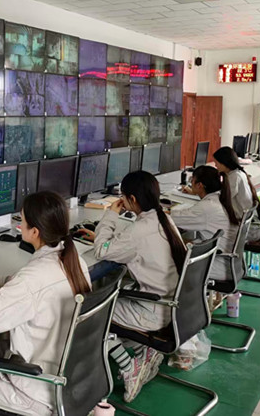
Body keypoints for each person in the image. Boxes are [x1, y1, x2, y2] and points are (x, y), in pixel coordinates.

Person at [0, 191, 91, 416]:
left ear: (35, 232)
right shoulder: (74, 260)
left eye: (22, 220)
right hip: (69, 378)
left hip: (39, 390)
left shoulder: (32, 279)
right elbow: (32, 284)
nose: (19, 225)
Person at [77, 171, 186, 403]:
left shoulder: (138, 231)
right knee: (111, 294)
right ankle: (143, 353)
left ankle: (129, 368)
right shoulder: (163, 220)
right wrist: (106, 236)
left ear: (132, 199)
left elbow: (102, 251)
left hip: (153, 312)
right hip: (172, 307)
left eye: (123, 197)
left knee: (88, 315)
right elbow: (133, 241)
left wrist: (111, 215)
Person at [170, 166, 239, 281]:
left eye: (192, 180)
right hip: (229, 261)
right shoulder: (220, 199)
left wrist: (162, 210)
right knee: (181, 241)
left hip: (217, 265)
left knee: (167, 247)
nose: (190, 183)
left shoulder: (207, 208)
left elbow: (172, 219)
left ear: (200, 185)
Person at [212, 146, 259, 220]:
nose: (215, 166)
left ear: (224, 163)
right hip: (245, 215)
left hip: (239, 217)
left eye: (216, 163)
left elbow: (224, 198)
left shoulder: (235, 177)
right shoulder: (238, 173)